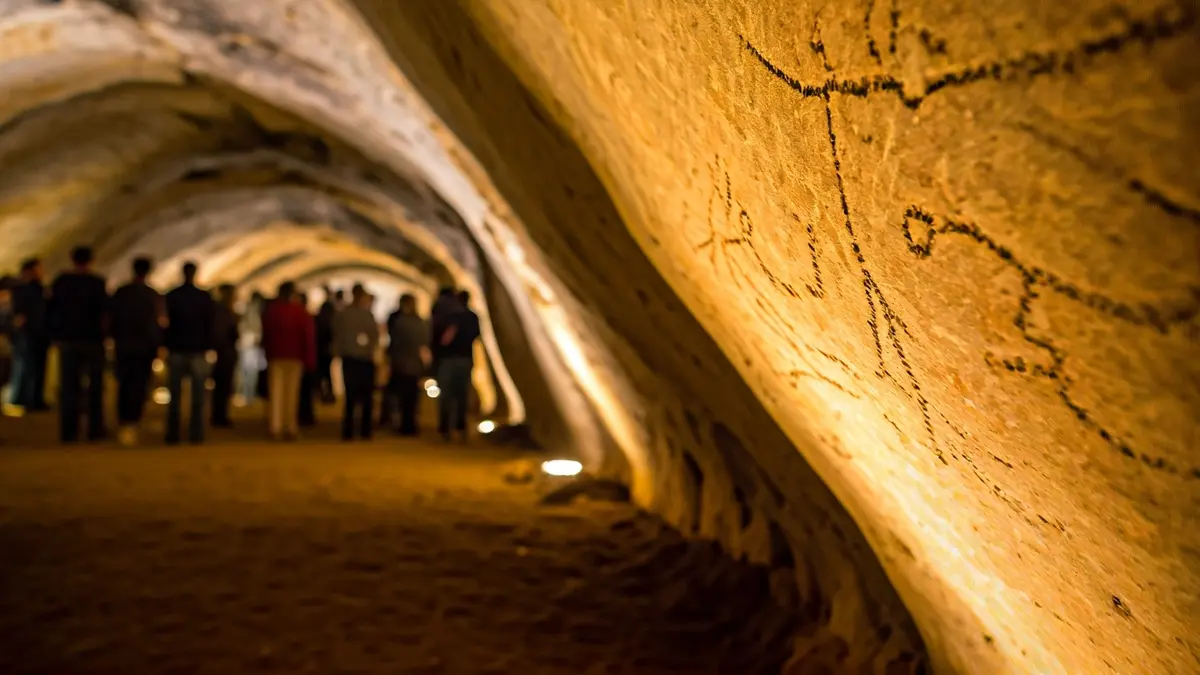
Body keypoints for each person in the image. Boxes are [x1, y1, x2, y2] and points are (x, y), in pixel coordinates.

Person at [47, 246, 109, 443]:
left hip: (69, 341)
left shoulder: (62, 282)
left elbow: (50, 311)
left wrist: (55, 335)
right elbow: (105, 313)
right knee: (95, 387)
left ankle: (69, 431)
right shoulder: (97, 283)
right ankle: (95, 429)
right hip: (92, 341)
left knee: (69, 387)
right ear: (91, 260)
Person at [109, 257, 163, 445]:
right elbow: (157, 324)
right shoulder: (152, 295)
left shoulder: (121, 293)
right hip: (144, 349)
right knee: (139, 386)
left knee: (124, 384)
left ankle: (124, 421)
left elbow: (111, 319)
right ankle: (133, 421)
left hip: (123, 346)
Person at [163, 261, 215, 444]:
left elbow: (165, 324)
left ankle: (173, 433)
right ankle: (196, 434)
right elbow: (210, 324)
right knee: (198, 396)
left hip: (177, 349)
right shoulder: (204, 297)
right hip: (198, 351)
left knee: (175, 395)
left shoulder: (172, 296)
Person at [261, 281, 314, 441]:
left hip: (276, 356)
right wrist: (310, 359)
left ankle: (275, 426)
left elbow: (266, 334)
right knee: (292, 393)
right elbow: (308, 336)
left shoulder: (272, 311)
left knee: (276, 392)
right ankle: (290, 426)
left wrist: (267, 353)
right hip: (295, 356)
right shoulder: (300, 312)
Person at [333, 285, 379, 440]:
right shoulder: (367, 315)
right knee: (366, 397)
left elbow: (337, 335)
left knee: (350, 396)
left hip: (349, 359)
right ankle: (365, 431)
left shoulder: (343, 315)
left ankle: (348, 430)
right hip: (365, 359)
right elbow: (374, 337)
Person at [435, 290, 480, 442]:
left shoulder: (451, 317)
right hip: (466, 359)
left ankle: (445, 429)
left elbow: (444, 339)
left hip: (449, 360)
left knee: (446, 396)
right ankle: (460, 429)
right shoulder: (473, 317)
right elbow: (476, 337)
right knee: (462, 396)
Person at [8, 258, 49, 413]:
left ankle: (34, 399)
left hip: (38, 333)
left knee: (35, 367)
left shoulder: (36, 289)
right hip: (28, 334)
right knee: (27, 367)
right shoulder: (23, 289)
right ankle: (24, 399)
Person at [387, 293, 430, 436]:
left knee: (402, 397)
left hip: (401, 363)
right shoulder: (420, 322)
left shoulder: (399, 322)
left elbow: (395, 343)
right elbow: (425, 342)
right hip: (414, 364)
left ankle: (404, 424)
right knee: (413, 397)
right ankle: (411, 424)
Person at [210, 284, 239, 428]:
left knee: (223, 386)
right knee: (223, 386)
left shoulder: (222, 310)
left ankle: (219, 415)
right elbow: (223, 333)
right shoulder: (224, 311)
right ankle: (219, 416)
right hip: (224, 354)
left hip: (224, 353)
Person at [237, 291, 265, 405]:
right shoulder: (255, 311)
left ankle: (248, 395)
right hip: (252, 345)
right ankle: (249, 395)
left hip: (248, 344)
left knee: (247, 372)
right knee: (251, 373)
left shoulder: (248, 310)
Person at [296, 292, 317, 427]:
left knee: (301, 391)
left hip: (298, 357)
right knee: (305, 391)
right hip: (301, 358)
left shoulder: (302, 316)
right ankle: (306, 416)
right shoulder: (305, 317)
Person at [314, 286, 337, 404]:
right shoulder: (332, 321)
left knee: (321, 373)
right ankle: (328, 394)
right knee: (327, 373)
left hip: (319, 350)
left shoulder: (318, 320)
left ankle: (321, 393)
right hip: (327, 350)